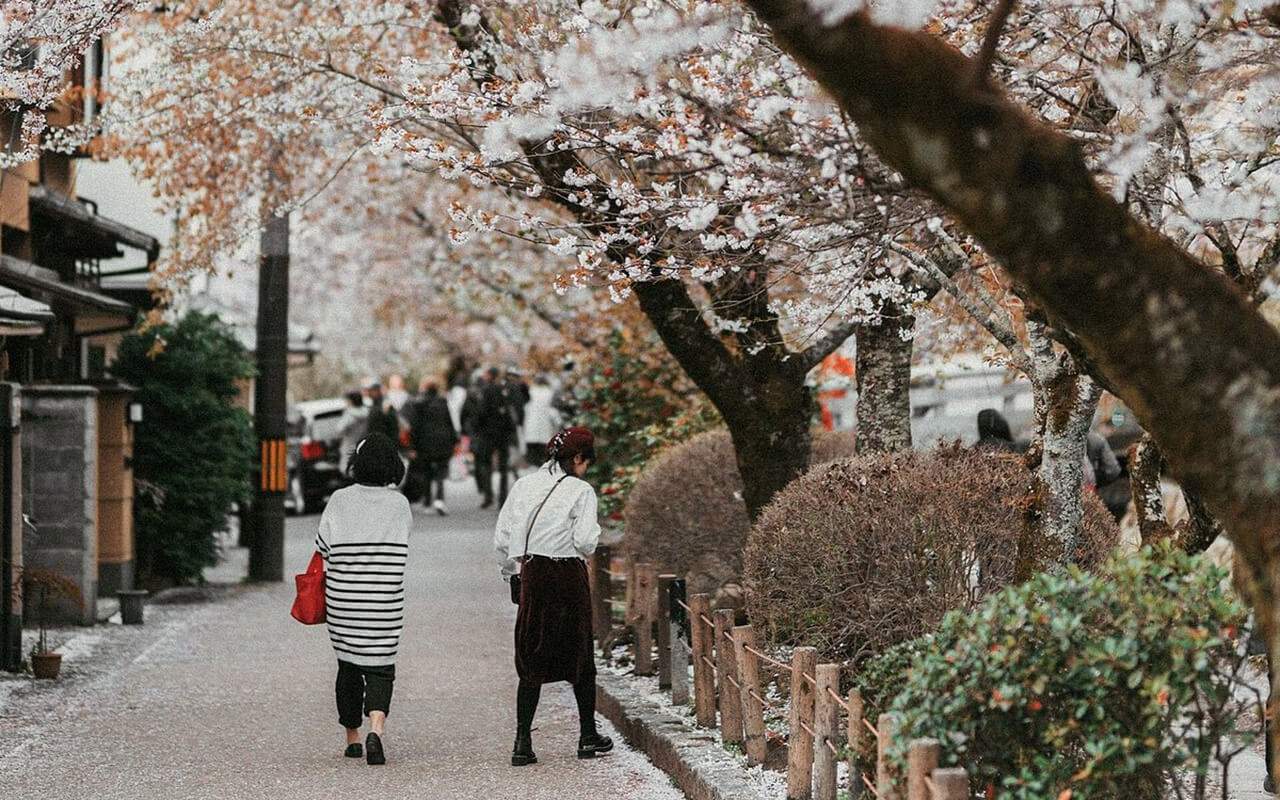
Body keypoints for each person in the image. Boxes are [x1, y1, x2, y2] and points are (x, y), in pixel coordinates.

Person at [494, 426, 613, 767]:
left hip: (532, 572)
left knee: (531, 651)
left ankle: (522, 742)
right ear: (577, 458)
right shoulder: (581, 491)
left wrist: (512, 574)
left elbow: (502, 539)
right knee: (579, 654)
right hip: (567, 575)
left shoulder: (523, 486)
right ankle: (587, 735)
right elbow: (587, 541)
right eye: (586, 462)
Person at [313, 431, 411, 766]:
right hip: (384, 600)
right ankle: (377, 729)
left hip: (344, 600)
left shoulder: (340, 500)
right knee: (382, 667)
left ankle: (352, 738)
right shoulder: (400, 504)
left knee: (349, 664)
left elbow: (323, 546)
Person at [409, 379, 458, 515]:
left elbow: (415, 427)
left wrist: (413, 446)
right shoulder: (443, 402)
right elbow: (449, 422)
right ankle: (440, 499)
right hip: (443, 442)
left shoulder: (419, 404)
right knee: (441, 472)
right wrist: (454, 440)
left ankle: (427, 501)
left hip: (424, 443)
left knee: (427, 473)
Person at [472, 367, 519, 509]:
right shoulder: (504, 390)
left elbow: (480, 412)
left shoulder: (485, 390)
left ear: (488, 376)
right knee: (503, 466)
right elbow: (512, 409)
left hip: (487, 432)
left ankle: (488, 496)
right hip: (503, 432)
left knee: (486, 464)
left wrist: (477, 428)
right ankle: (502, 497)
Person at [522, 375, 561, 468]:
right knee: (543, 449)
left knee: (532, 448)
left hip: (531, 423)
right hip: (544, 424)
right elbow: (552, 409)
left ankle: (532, 465)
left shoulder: (530, 391)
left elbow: (525, 406)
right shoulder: (549, 393)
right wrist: (557, 421)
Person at [337, 390, 368, 478]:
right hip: (366, 446)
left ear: (351, 401)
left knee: (350, 472)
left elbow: (339, 429)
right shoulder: (369, 412)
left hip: (350, 447)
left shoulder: (349, 415)